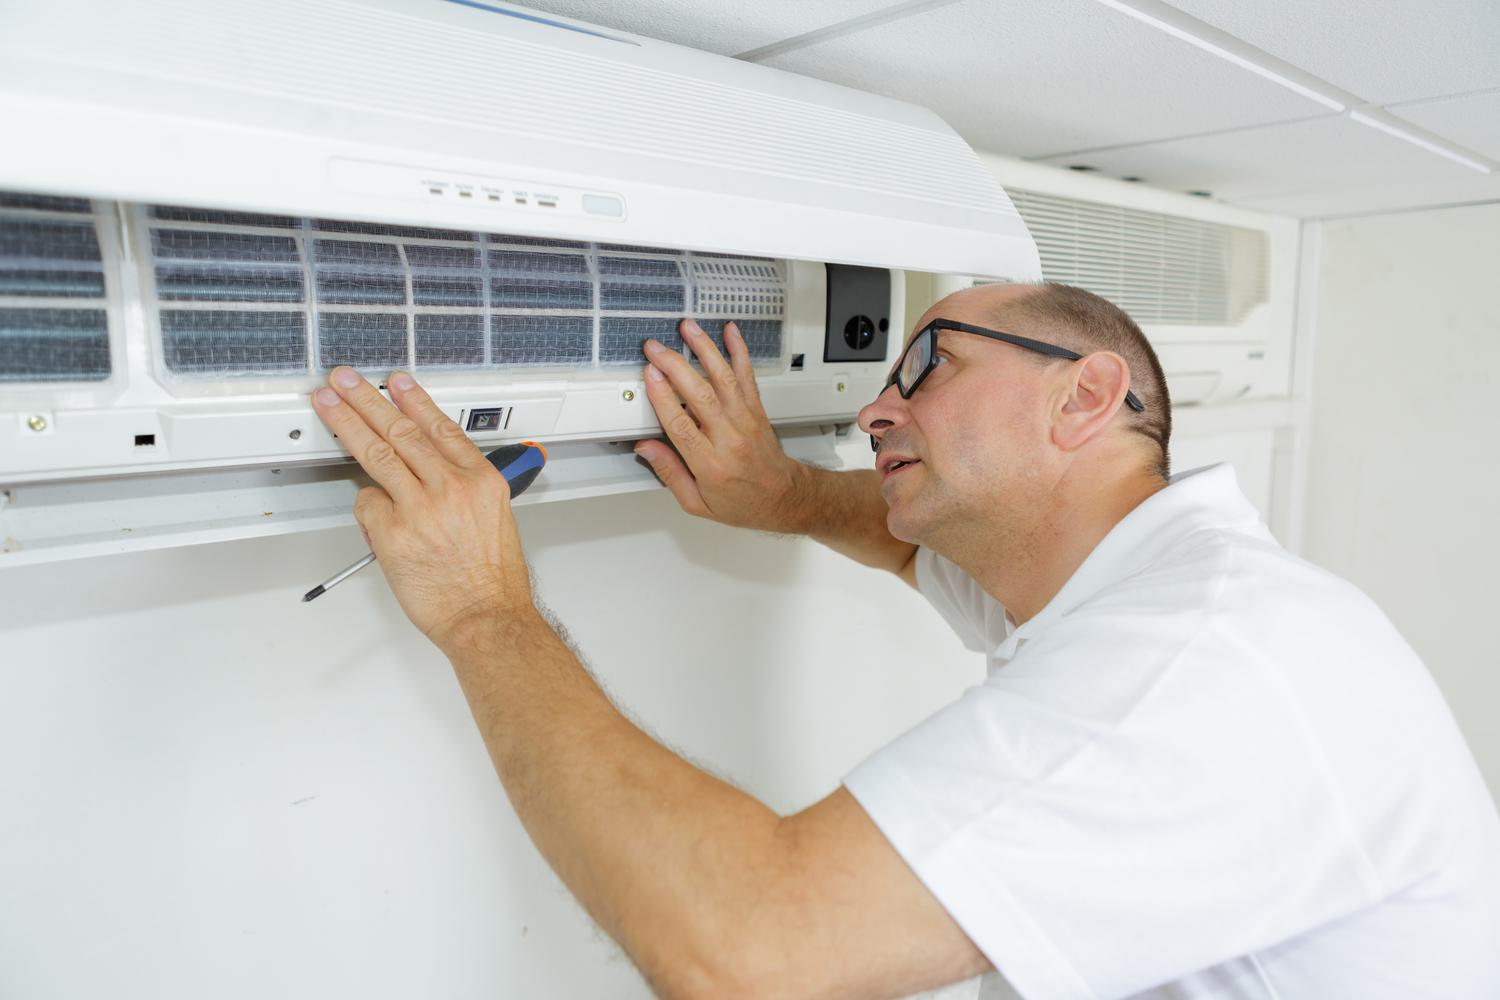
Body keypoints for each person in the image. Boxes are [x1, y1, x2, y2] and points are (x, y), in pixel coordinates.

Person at [309, 282, 1500, 999]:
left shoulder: (1197, 660)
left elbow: (748, 954)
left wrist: (483, 611)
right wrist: (785, 494)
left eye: (928, 363)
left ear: (1084, 396)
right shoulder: (1143, 586)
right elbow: (913, 550)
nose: (877, 407)